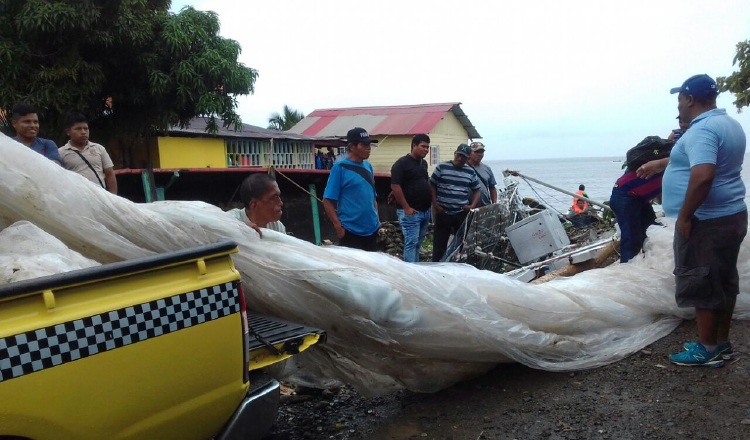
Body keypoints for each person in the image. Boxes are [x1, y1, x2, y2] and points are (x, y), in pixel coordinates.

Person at [660, 74, 747, 367]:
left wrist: (685, 216)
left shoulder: (702, 130)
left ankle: (707, 349)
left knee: (702, 279)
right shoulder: (729, 124)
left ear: (690, 99)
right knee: (724, 279)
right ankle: (721, 344)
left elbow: (704, 174)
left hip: (706, 220)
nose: (679, 105)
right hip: (731, 213)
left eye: (680, 99)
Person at [323, 127, 381, 251]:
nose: (368, 148)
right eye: (364, 144)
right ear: (352, 146)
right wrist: (338, 226)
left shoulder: (368, 166)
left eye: (369, 144)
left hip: (371, 230)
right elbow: (327, 200)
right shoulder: (340, 168)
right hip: (351, 231)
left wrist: (377, 220)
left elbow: (372, 197)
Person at [430, 143, 481, 262]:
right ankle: (437, 266)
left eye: (463, 157)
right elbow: (432, 185)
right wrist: (435, 205)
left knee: (460, 243)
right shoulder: (442, 167)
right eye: (458, 155)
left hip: (460, 213)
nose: (460, 158)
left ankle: (456, 265)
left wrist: (472, 206)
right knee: (439, 244)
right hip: (443, 212)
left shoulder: (470, 172)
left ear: (468, 158)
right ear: (454, 154)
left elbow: (477, 190)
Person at [390, 133, 432, 262]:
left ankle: (416, 269)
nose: (426, 150)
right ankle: (409, 272)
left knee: (418, 244)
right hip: (410, 212)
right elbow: (395, 186)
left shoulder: (423, 164)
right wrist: (406, 208)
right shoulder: (401, 164)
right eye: (423, 146)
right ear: (414, 145)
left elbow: (423, 181)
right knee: (411, 243)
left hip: (424, 211)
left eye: (428, 147)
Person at [609, 165, 663, 263]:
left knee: (652, 231)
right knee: (631, 239)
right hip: (625, 195)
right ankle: (628, 270)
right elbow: (664, 199)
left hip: (638, 197)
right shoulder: (668, 167)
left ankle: (649, 263)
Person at [58, 112, 117, 194]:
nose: (83, 132)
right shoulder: (60, 152)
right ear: (68, 132)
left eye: (86, 128)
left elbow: (110, 174)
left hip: (100, 197)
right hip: (77, 198)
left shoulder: (99, 149)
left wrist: (113, 198)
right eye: (78, 129)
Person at [466, 142, 498, 207]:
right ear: (470, 153)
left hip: (485, 206)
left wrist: (494, 203)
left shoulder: (487, 168)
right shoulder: (463, 167)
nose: (479, 154)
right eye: (476, 152)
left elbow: (492, 188)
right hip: (467, 207)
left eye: (481, 152)